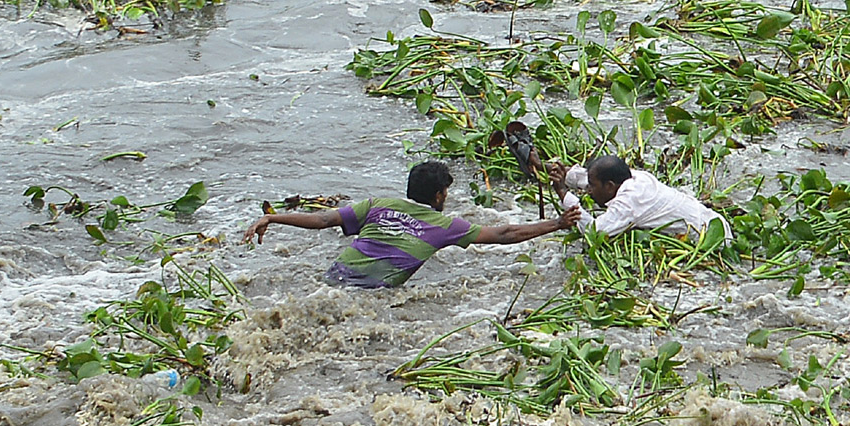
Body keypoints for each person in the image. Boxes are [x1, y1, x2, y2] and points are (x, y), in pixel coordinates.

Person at [243, 161, 582, 288]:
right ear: (438, 196)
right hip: (372, 291)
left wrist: (273, 217)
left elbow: (321, 220)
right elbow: (505, 233)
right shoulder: (444, 224)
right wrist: (558, 223)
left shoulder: (376, 205)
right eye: (446, 193)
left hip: (337, 276)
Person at [544, 155, 728, 242]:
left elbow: (595, 231)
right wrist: (544, 167)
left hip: (711, 239)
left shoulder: (629, 202)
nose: (589, 190)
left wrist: (562, 193)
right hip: (715, 222)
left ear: (609, 186)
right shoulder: (635, 177)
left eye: (592, 186)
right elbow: (587, 178)